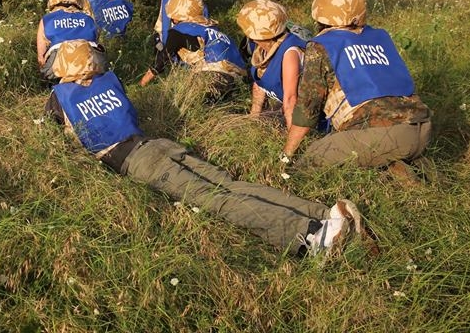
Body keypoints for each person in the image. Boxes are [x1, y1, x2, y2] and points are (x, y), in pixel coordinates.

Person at [44, 40, 365, 256]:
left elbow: (54, 141)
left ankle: (312, 236)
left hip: (137, 161)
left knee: (220, 203)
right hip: (156, 144)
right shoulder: (109, 79)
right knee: (229, 186)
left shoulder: (59, 97)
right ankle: (325, 215)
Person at [280, 0, 432, 171]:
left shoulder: (321, 45)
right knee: (378, 156)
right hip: (422, 129)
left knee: (313, 157)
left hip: (383, 135)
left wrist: (287, 155)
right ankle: (407, 172)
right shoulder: (380, 37)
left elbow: (307, 109)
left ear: (319, 12)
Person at [139, 0, 246, 99]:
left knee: (174, 98)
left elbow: (163, 58)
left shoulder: (179, 30)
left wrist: (142, 84)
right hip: (238, 83)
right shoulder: (214, 30)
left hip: (212, 78)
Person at [236, 0, 307, 127]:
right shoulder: (259, 47)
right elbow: (259, 83)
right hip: (282, 104)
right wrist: (253, 119)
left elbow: (291, 100)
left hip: (301, 114)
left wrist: (290, 143)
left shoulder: (290, 52)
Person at [36, 0, 106, 80]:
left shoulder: (46, 20)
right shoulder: (88, 18)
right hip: (91, 64)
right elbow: (96, 40)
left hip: (59, 67)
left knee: (48, 71)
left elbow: (41, 57)